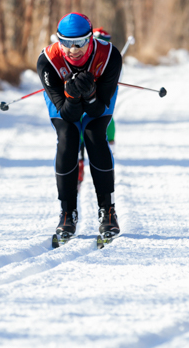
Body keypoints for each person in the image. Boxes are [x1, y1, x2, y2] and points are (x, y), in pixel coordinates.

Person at [37, 13, 123, 245]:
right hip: (65, 104)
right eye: (65, 43)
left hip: (99, 101)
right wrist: (73, 97)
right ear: (58, 41)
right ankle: (67, 212)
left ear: (91, 39)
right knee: (68, 137)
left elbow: (98, 109)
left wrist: (91, 94)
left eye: (80, 42)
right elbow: (67, 114)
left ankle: (108, 210)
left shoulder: (110, 56)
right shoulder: (48, 61)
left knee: (95, 136)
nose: (73, 49)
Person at [76, 28, 118, 188]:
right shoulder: (107, 51)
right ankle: (107, 149)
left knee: (87, 120)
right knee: (105, 118)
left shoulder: (101, 51)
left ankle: (81, 161)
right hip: (92, 93)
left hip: (98, 93)